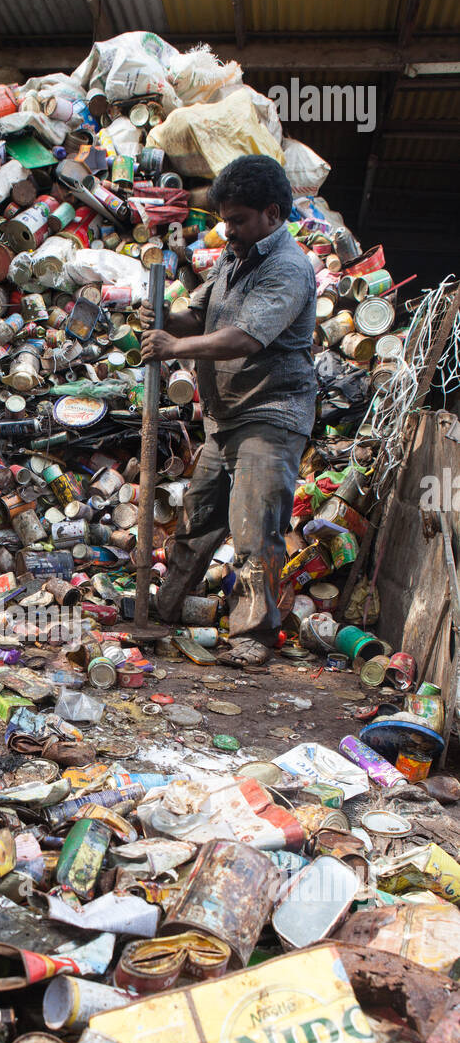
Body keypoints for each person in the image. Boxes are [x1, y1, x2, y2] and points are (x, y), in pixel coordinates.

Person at [141, 154, 316, 667]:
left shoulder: (287, 268)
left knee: (253, 530)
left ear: (273, 212)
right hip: (225, 419)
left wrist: (173, 348)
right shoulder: (234, 257)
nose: (228, 229)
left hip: (270, 416)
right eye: (224, 218)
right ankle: (164, 610)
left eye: (238, 219)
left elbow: (244, 337)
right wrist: (161, 316)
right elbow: (198, 312)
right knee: (198, 520)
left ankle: (253, 638)